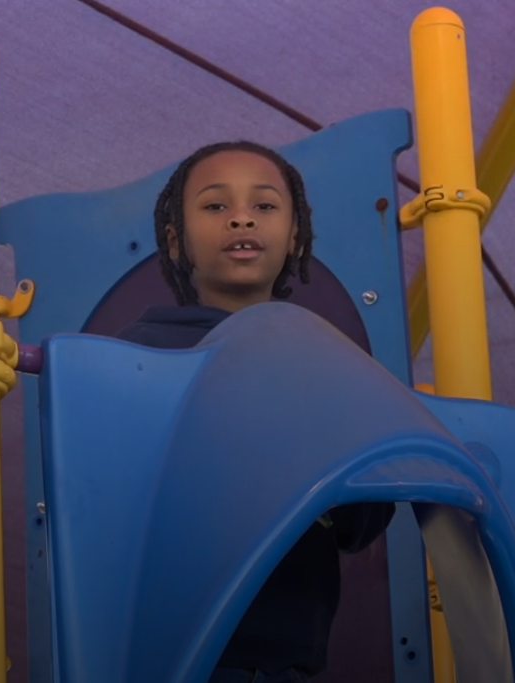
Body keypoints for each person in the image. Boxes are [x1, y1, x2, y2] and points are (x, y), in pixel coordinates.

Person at [117, 141, 397, 682]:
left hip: (286, 657)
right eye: (215, 206)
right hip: (167, 647)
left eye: (264, 206)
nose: (241, 216)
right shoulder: (141, 352)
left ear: (293, 236)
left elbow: (364, 518)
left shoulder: (328, 359)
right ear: (176, 241)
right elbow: (112, 491)